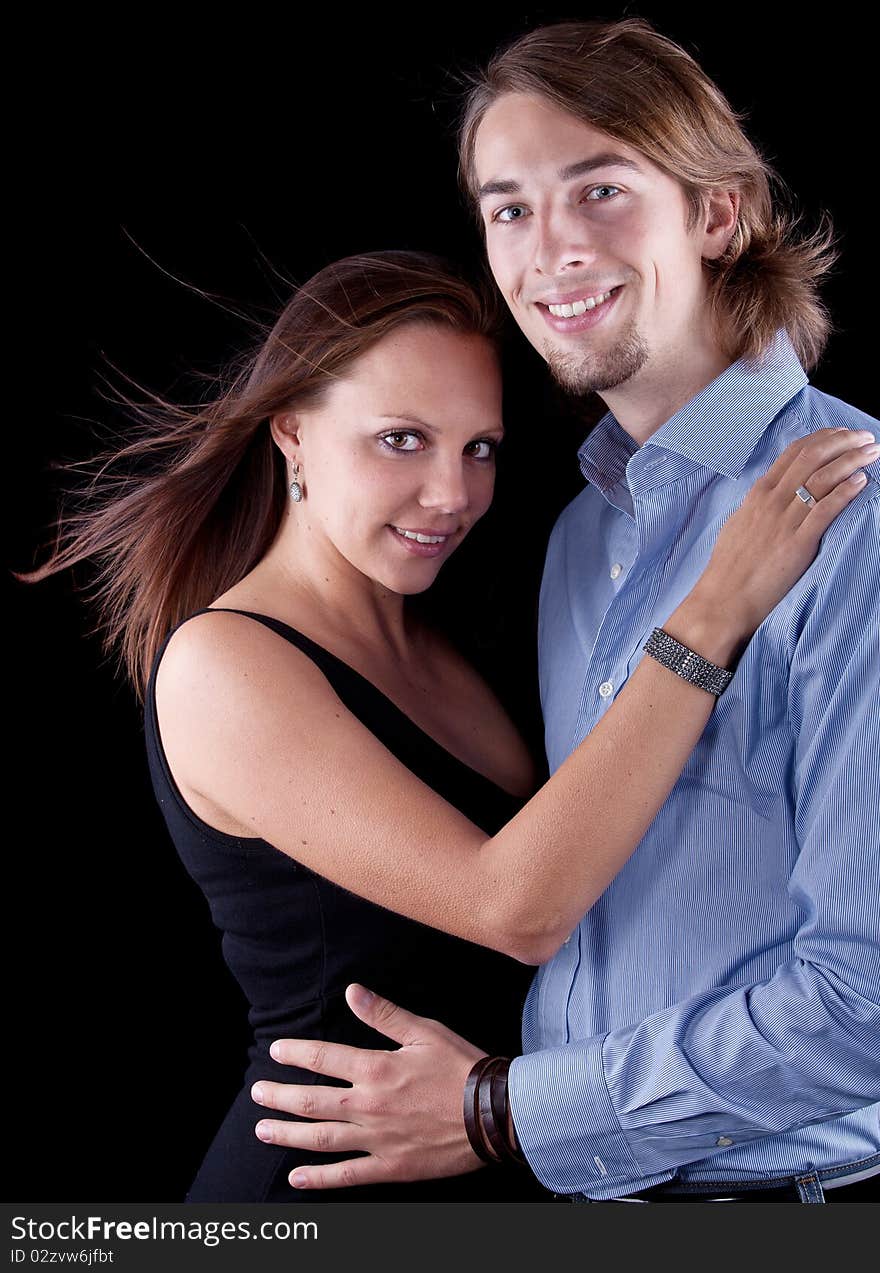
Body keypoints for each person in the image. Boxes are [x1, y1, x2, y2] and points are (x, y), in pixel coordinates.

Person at [19, 242, 867, 1204]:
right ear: (291, 431)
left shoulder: (460, 627)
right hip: (323, 1187)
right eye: (400, 440)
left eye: (479, 448)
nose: (452, 495)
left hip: (501, 1159)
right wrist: (716, 607)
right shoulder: (227, 665)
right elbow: (518, 908)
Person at [248, 20, 880, 1204]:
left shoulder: (854, 518)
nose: (553, 250)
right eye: (510, 209)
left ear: (716, 214)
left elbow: (870, 1004)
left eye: (600, 188)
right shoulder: (580, 537)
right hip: (582, 1204)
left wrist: (502, 1110)